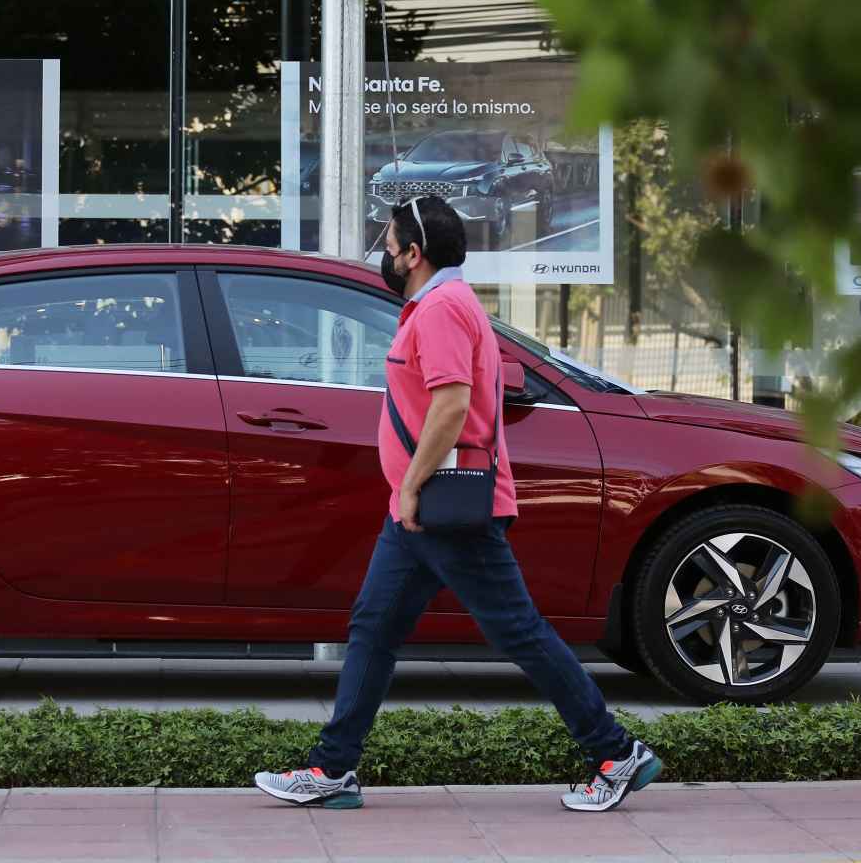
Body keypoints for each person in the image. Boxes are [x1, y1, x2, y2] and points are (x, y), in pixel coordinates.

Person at [254, 195, 662, 813]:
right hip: (420, 511)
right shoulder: (441, 303)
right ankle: (332, 768)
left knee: (518, 631)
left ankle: (614, 752)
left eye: (388, 248)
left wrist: (411, 485)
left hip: (442, 506)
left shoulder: (442, 309)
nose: (384, 258)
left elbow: (449, 405)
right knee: (375, 626)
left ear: (414, 255)